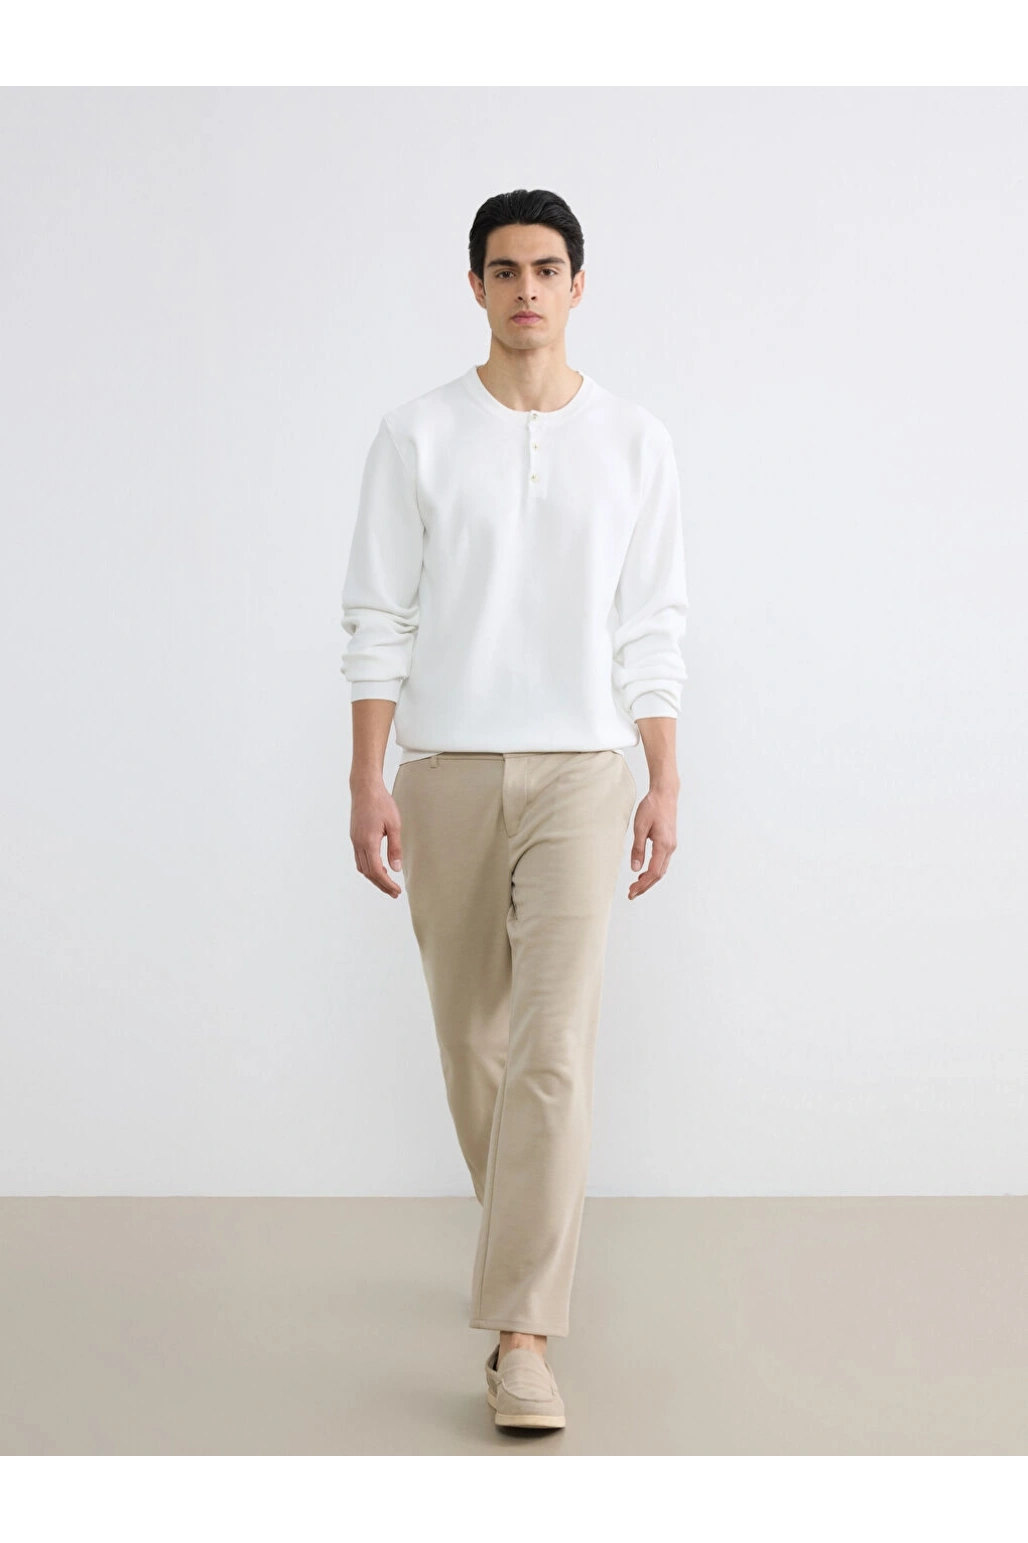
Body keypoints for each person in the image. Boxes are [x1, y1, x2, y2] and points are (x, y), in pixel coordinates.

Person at [340, 187, 689, 1431]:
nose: (526, 288)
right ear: (476, 287)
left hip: (584, 772)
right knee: (472, 1045)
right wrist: (366, 776)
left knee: (552, 1050)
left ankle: (522, 1338)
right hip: (443, 769)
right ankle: (522, 1255)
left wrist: (662, 775)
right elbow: (377, 614)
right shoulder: (416, 434)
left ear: (577, 285)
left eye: (546, 268)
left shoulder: (634, 440)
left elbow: (651, 624)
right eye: (504, 269)